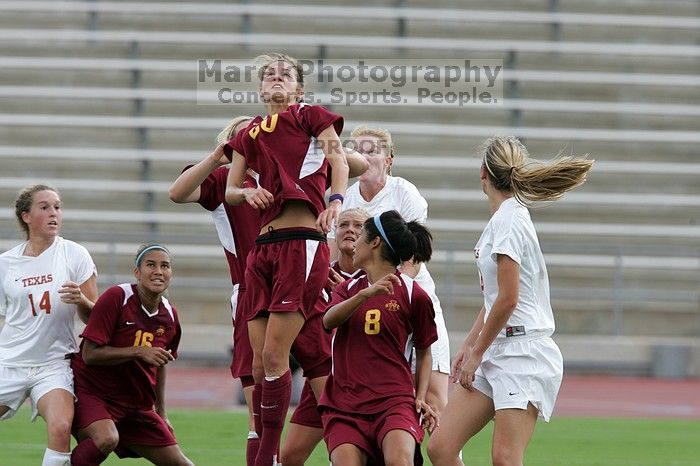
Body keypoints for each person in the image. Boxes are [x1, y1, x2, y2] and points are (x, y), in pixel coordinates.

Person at [427, 136, 593, 466]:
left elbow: (508, 299)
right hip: (497, 348)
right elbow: (494, 299)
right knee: (441, 447)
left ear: (483, 173)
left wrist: (476, 353)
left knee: (505, 458)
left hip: (524, 353)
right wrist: (470, 344)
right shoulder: (502, 219)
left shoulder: (508, 221)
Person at [221, 52, 351, 466]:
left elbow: (339, 161)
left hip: (302, 241)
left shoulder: (310, 115)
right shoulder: (249, 134)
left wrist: (335, 200)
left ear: (298, 88)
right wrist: (246, 193)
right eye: (270, 76)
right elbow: (229, 190)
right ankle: (272, 456)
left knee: (277, 357)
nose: (277, 79)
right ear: (261, 89)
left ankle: (266, 460)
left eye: (285, 75)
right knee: (261, 366)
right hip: (262, 251)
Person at [330, 125, 451, 415]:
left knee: (433, 399)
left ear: (389, 160)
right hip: (364, 308)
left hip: (411, 302)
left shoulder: (405, 193)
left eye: (372, 151)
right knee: (369, 397)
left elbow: (412, 258)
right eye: (357, 150)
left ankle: (447, 454)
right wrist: (349, 290)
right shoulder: (342, 197)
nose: (363, 156)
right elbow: (334, 260)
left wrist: (384, 295)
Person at [168, 115, 262, 466]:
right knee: (259, 402)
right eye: (243, 136)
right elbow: (177, 192)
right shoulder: (224, 179)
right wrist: (216, 157)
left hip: (300, 288)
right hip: (253, 292)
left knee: (325, 384)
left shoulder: (284, 174)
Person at [320, 210, 439, 466]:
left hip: (394, 402)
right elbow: (328, 321)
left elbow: (425, 351)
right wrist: (366, 294)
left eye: (362, 233)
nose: (356, 240)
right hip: (345, 405)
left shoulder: (413, 295)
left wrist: (420, 396)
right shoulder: (349, 289)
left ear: (374, 243)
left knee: (400, 461)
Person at [0, 184, 98, 466]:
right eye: (44, 207)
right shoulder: (6, 264)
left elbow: (95, 319)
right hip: (10, 362)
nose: (54, 213)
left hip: (53, 365)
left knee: (60, 428)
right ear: (26, 216)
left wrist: (80, 299)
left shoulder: (75, 254)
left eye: (57, 206)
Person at [69, 244, 193, 466]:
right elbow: (89, 354)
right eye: (151, 265)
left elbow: (161, 361)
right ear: (137, 272)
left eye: (165, 266)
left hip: (137, 405)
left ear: (170, 274)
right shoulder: (117, 297)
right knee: (107, 438)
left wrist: (162, 412)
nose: (158, 271)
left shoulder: (170, 315)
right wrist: (138, 351)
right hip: (95, 394)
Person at [280, 208, 370, 466]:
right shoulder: (318, 273)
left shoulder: (377, 278)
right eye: (343, 225)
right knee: (290, 455)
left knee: (352, 452)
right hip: (322, 375)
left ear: (370, 237)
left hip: (361, 380)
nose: (350, 230)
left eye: (357, 226)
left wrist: (347, 295)